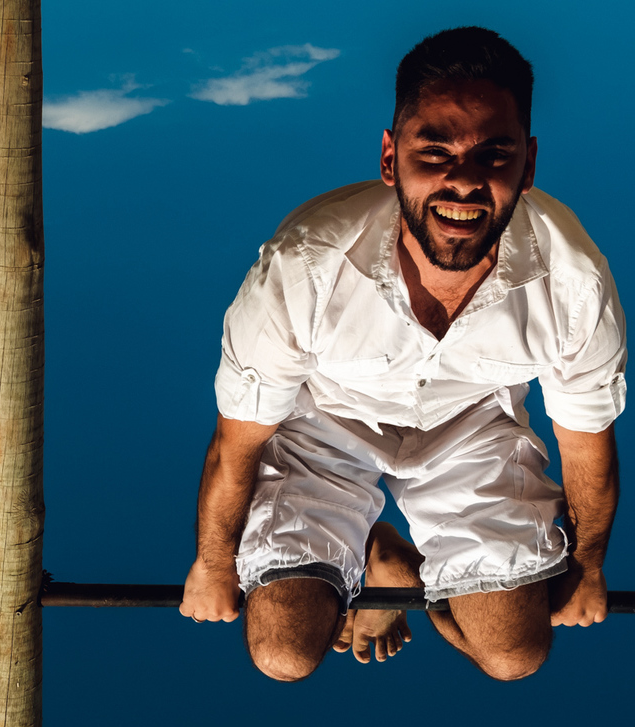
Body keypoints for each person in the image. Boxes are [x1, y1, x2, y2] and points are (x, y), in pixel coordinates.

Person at [179, 27, 625, 681]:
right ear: (390, 159)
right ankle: (364, 551)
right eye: (435, 150)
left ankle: (402, 570)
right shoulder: (305, 264)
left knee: (514, 656)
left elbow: (587, 447)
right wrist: (214, 564)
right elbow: (236, 441)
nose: (463, 180)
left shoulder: (574, 281)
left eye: (494, 153)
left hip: (473, 433)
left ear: (528, 164)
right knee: (283, 653)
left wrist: (587, 569)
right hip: (325, 428)